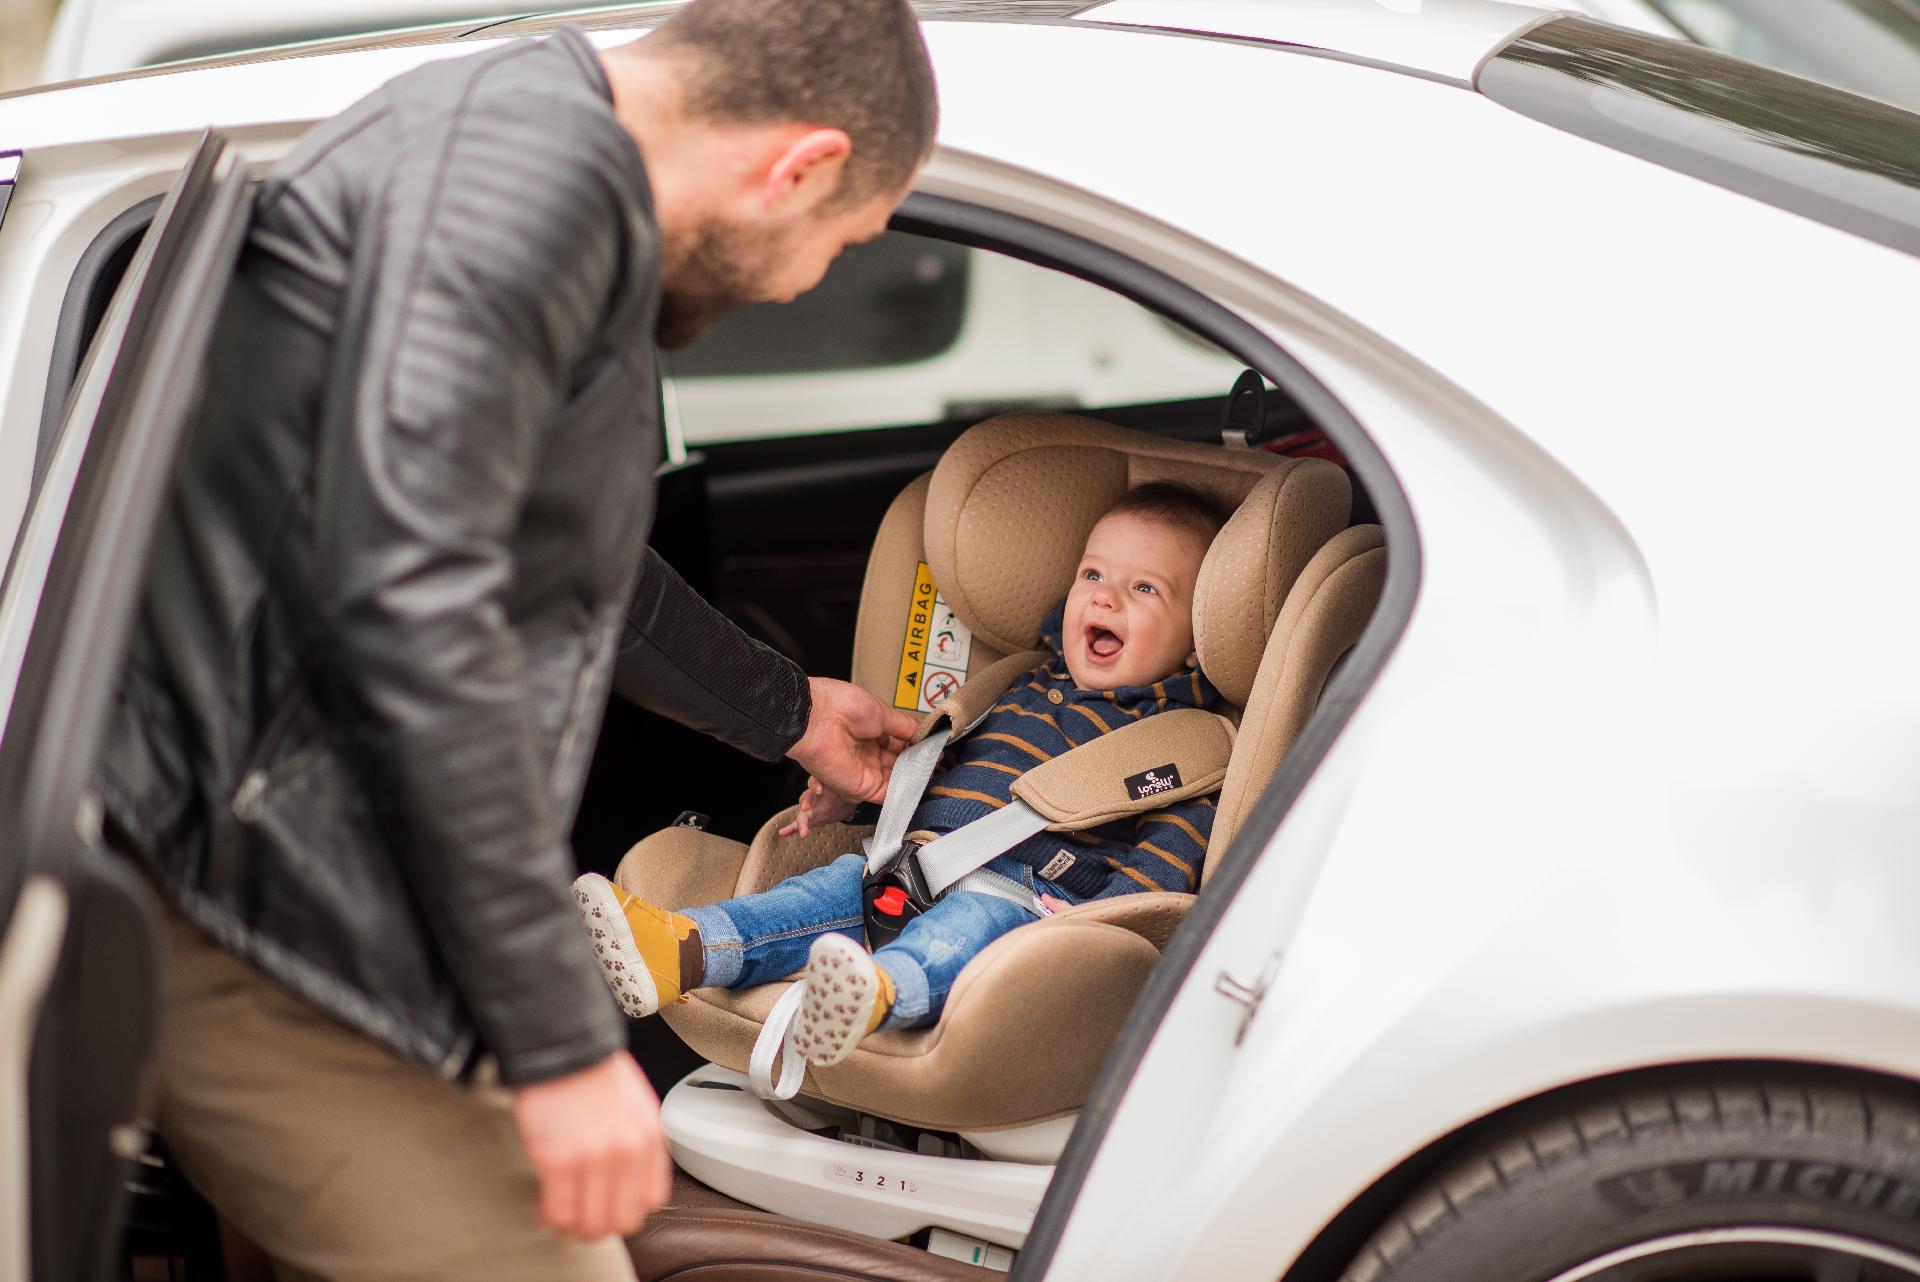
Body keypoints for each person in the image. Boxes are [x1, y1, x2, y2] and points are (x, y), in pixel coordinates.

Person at [94, 2, 934, 1277]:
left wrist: (788, 709)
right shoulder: (513, 204)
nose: (800, 284)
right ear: (802, 165)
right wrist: (557, 1042)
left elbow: (544, 548)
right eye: (840, 242)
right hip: (247, 901)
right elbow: (413, 608)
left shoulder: (533, 157)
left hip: (279, 861)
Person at [573, 483, 1227, 1062]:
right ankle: (685, 947)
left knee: (963, 930)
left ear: (1196, 637)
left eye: (1144, 588)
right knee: (806, 902)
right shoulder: (1017, 685)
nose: (1106, 597)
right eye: (1092, 575)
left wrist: (1088, 930)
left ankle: (877, 992)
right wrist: (854, 803)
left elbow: (1158, 880)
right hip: (899, 865)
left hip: (1024, 905)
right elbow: (928, 779)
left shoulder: (1180, 746)